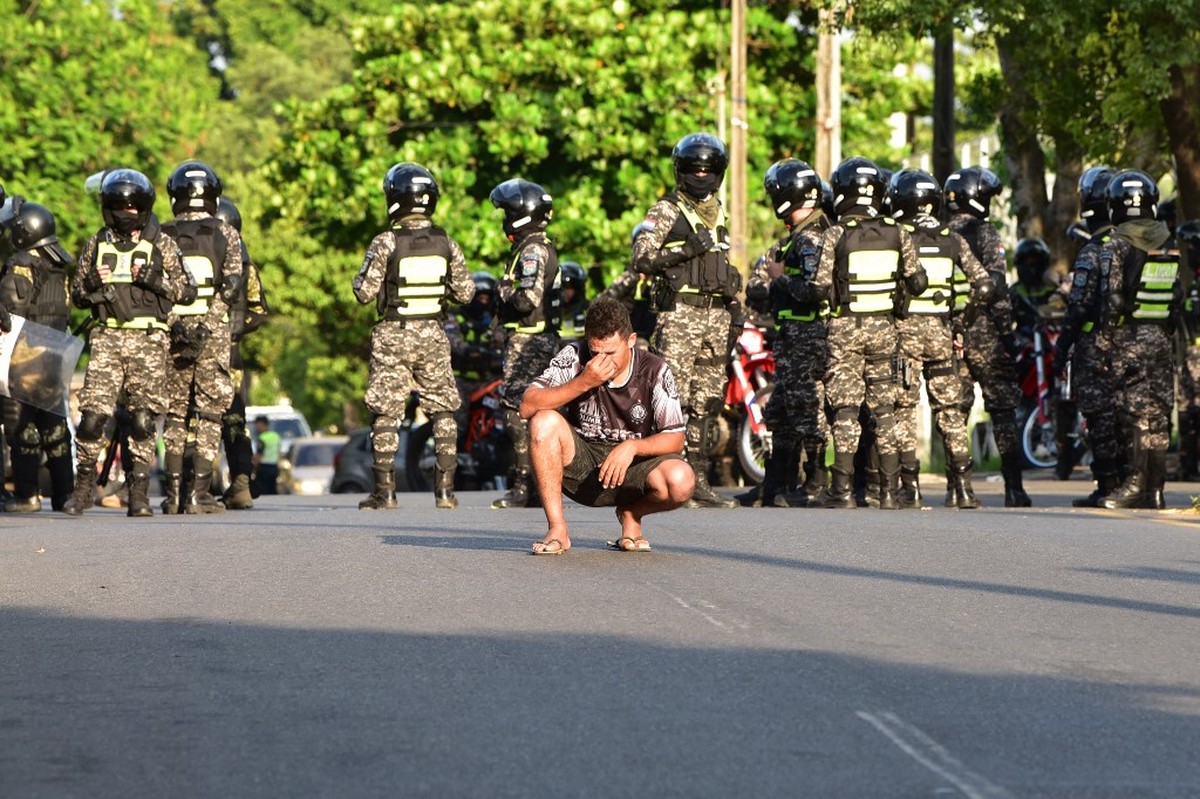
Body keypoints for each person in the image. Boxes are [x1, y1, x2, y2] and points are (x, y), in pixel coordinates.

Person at [63, 168, 196, 516]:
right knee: (92, 418)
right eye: (119, 208)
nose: (126, 215)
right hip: (107, 337)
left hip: (149, 340)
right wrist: (91, 280)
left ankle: (138, 492)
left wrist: (156, 281)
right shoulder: (96, 243)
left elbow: (186, 291)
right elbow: (76, 295)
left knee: (141, 419)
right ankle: (82, 489)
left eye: (133, 209)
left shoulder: (162, 244)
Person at [520, 296, 693, 555]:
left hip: (633, 470)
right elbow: (527, 405)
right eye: (595, 351)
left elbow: (675, 438)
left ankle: (631, 514)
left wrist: (632, 447)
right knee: (543, 421)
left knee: (681, 479)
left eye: (610, 352)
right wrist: (583, 382)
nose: (601, 361)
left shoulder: (654, 370)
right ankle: (558, 529)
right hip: (583, 466)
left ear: (631, 341)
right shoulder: (576, 356)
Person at [802, 156, 926, 509]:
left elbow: (818, 287)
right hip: (885, 329)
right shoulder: (897, 232)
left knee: (845, 410)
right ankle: (889, 492)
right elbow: (918, 282)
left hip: (844, 329)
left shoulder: (835, 234)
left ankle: (841, 491)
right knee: (884, 409)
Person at [353, 162, 475, 510]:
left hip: (393, 333)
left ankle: (385, 492)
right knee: (443, 411)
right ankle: (446, 492)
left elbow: (364, 292)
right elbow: (465, 293)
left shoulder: (386, 242)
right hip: (434, 335)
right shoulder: (447, 243)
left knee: (386, 412)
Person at [632, 132, 741, 509]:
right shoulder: (666, 209)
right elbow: (642, 258)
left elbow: (720, 263)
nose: (701, 176)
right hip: (679, 314)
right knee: (670, 398)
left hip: (716, 315)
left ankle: (698, 478)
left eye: (707, 170)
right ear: (680, 171)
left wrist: (735, 302)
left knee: (708, 400)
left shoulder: (720, 211)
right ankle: (668, 474)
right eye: (693, 170)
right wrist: (682, 252)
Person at [887, 168, 997, 508]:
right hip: (941, 333)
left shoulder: (897, 236)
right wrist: (962, 323)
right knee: (950, 410)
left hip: (904, 333)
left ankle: (911, 488)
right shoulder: (952, 238)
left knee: (904, 408)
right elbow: (984, 285)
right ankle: (962, 488)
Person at [742, 158, 830, 507]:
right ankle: (776, 485)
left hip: (808, 336)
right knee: (781, 410)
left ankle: (816, 484)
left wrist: (778, 278)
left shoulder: (811, 238)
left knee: (807, 409)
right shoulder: (795, 238)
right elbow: (755, 288)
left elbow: (814, 289)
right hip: (791, 336)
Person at [158, 161, 245, 514]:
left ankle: (174, 494)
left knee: (176, 414)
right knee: (210, 414)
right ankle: (199, 494)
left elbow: (154, 290)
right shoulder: (228, 235)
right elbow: (233, 284)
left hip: (171, 333)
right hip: (214, 334)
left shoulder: (159, 236)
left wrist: (178, 322)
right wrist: (208, 324)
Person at [944, 166, 1029, 507]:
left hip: (950, 333)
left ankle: (958, 488)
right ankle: (1014, 488)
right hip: (986, 333)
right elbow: (996, 287)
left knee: (953, 411)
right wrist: (1008, 335)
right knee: (1003, 409)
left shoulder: (940, 235)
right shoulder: (984, 233)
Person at [1097, 171, 1179, 509]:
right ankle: (1155, 488)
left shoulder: (1116, 243)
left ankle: (1135, 486)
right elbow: (1178, 292)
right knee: (1158, 410)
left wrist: (1107, 339)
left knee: (1133, 412)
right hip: (1160, 335)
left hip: (1128, 337)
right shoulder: (1167, 239)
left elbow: (1111, 297)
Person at [1053, 166, 1124, 506]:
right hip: (1130, 344)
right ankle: (1132, 482)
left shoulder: (1093, 250)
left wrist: (1061, 346)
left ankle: (1108, 484)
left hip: (1094, 346)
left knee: (1098, 415)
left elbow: (1078, 306)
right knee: (1126, 413)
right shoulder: (1132, 246)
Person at [489, 178, 561, 509]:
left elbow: (526, 300)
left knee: (517, 410)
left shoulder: (532, 251)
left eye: (507, 212)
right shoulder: (537, 246)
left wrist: (502, 288)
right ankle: (534, 485)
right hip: (539, 341)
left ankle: (524, 486)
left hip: (530, 342)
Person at [0, 201, 76, 511]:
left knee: (21, 429)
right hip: (54, 357)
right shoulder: (57, 266)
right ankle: (64, 496)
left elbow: (7, 315)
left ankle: (26, 496)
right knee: (55, 430)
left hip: (22, 358)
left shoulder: (19, 265)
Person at [213, 197, 270, 510]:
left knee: (196, 419)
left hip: (196, 350)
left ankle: (191, 488)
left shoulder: (195, 255)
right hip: (231, 354)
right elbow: (259, 311)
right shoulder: (247, 266)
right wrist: (234, 332)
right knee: (234, 420)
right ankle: (240, 484)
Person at [557, 260, 590, 344]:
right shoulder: (548, 311)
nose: (565, 292)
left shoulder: (589, 311)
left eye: (569, 287)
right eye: (562, 287)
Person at [252, 415, 280, 495]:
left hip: (264, 469)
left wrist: (254, 467)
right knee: (272, 491)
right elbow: (278, 452)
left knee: (263, 491)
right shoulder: (276, 436)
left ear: (262, 424)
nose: (257, 428)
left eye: (257, 426)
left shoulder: (262, 438)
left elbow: (259, 454)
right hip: (274, 467)